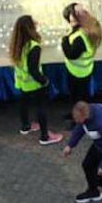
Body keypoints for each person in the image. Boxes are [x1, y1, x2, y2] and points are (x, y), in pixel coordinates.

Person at [9, 15, 63, 146]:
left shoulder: (17, 44)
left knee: (23, 103)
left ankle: (26, 126)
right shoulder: (34, 47)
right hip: (34, 83)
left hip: (22, 82)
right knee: (41, 107)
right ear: (30, 28)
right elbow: (33, 70)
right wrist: (45, 81)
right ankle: (45, 136)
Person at [63, 101, 102, 202]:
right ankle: (93, 192)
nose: (76, 121)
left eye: (78, 119)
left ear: (85, 116)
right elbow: (80, 128)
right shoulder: (86, 114)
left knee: (101, 179)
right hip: (99, 145)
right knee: (87, 165)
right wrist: (70, 145)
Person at [61, 3, 102, 109]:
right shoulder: (89, 29)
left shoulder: (80, 37)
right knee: (82, 96)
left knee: (78, 97)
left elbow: (71, 55)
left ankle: (80, 118)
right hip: (85, 69)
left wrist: (64, 41)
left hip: (77, 72)